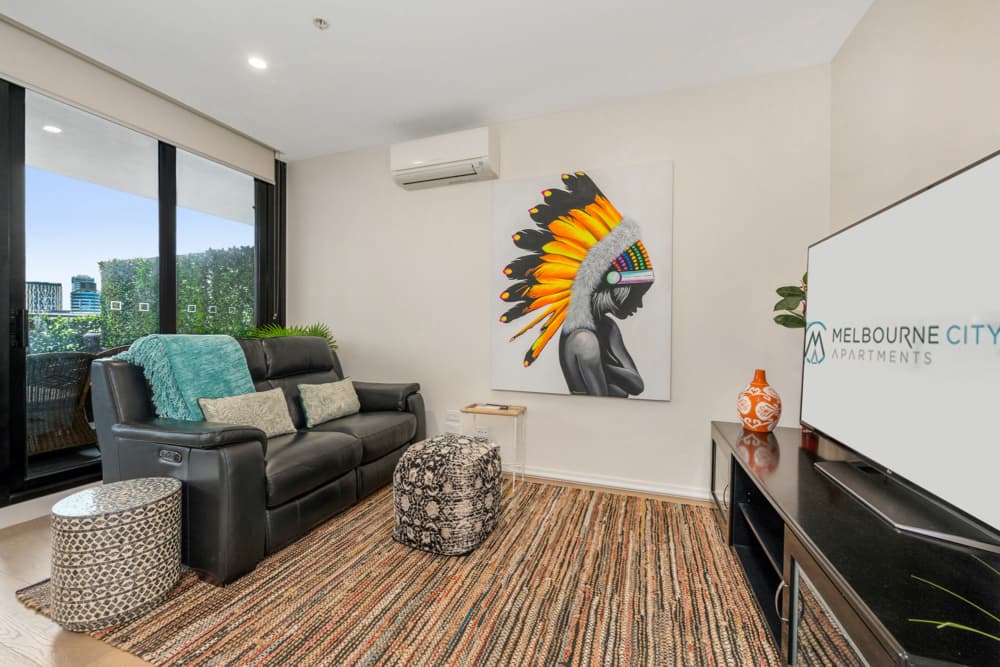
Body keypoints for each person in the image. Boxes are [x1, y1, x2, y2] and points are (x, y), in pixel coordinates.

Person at [500, 171, 654, 397]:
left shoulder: (607, 328)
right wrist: (613, 373)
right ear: (607, 288)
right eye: (635, 294)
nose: (639, 304)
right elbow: (601, 403)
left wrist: (603, 367)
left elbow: (638, 386)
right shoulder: (584, 339)